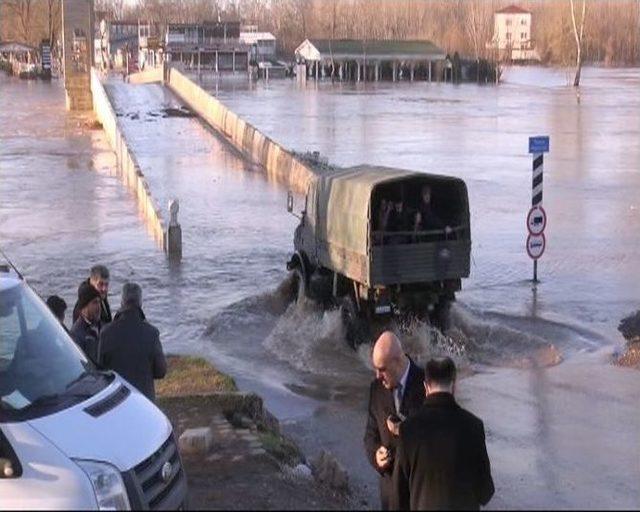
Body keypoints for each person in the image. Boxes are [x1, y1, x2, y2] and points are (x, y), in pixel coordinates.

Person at [392, 358, 495, 511]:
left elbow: (399, 497)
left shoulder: (408, 430)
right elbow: (485, 492)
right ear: (454, 386)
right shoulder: (474, 427)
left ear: (426, 387)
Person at [364, 331, 426, 510]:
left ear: (398, 362)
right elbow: (369, 435)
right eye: (376, 369)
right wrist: (376, 455)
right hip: (390, 498)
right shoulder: (376, 389)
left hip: (420, 497)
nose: (378, 375)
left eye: (382, 369)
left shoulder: (426, 386)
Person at [98, 282, 167, 402]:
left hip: (116, 400)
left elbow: (100, 371)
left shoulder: (106, 332)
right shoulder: (151, 333)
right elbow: (161, 371)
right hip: (145, 401)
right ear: (140, 303)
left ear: (122, 302)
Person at [69, 283, 102, 363]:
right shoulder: (76, 334)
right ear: (84, 306)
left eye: (99, 302)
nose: (99, 307)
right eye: (94, 303)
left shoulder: (102, 327)